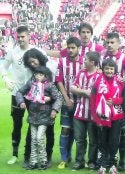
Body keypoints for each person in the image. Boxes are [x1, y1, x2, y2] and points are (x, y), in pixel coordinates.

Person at [1, 26, 41, 165]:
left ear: (29, 36)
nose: (21, 39)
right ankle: (14, 154)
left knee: (33, 124)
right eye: (19, 37)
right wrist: (5, 78)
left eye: (23, 36)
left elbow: (47, 65)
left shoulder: (35, 51)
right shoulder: (12, 52)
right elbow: (3, 67)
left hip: (33, 94)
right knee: (16, 124)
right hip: (17, 93)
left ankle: (28, 154)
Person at [15, 66, 63, 170]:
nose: (38, 77)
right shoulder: (31, 84)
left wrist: (54, 110)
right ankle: (33, 161)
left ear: (45, 76)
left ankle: (44, 160)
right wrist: (21, 101)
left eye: (40, 75)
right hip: (33, 115)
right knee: (33, 139)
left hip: (45, 116)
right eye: (36, 74)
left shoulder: (49, 85)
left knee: (39, 138)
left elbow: (59, 98)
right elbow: (19, 92)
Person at [99, 32, 125, 170]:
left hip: (119, 103)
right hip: (105, 104)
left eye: (113, 42)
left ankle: (122, 160)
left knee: (121, 134)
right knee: (105, 134)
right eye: (108, 42)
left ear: (118, 43)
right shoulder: (102, 57)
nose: (110, 45)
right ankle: (107, 159)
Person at [22, 48, 58, 167]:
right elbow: (27, 87)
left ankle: (47, 158)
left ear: (39, 58)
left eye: (34, 61)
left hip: (49, 104)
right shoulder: (31, 71)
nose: (32, 64)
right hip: (34, 104)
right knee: (31, 132)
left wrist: (53, 104)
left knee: (49, 132)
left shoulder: (51, 66)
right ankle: (28, 157)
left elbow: (56, 87)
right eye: (30, 63)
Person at [90, 58, 124, 174]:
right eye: (107, 68)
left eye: (111, 68)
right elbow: (93, 100)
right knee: (103, 141)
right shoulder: (98, 82)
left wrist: (116, 100)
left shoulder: (119, 82)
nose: (109, 71)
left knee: (114, 141)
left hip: (116, 117)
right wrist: (96, 118)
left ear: (115, 70)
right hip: (102, 116)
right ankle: (103, 165)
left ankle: (112, 164)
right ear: (102, 69)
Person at [70, 51, 102, 170]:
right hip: (79, 113)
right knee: (79, 139)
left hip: (93, 114)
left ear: (92, 62)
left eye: (86, 59)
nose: (84, 61)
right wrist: (84, 92)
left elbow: (100, 93)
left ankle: (92, 161)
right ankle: (79, 161)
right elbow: (72, 88)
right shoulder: (81, 73)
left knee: (93, 140)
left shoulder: (100, 75)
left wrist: (90, 93)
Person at [56, 37, 84, 169]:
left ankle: (79, 159)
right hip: (67, 102)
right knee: (65, 129)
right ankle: (64, 158)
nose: (71, 50)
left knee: (79, 132)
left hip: (82, 103)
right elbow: (59, 80)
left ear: (79, 48)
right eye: (69, 47)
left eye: (73, 47)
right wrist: (66, 98)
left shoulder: (85, 61)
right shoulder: (62, 61)